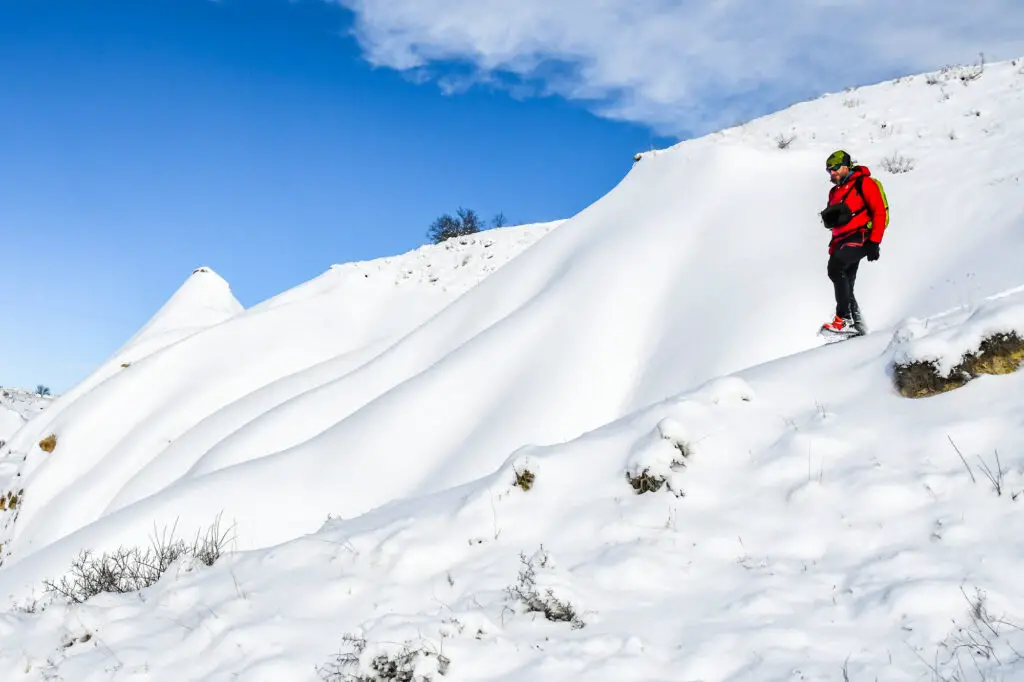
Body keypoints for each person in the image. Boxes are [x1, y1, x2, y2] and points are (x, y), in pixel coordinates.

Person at [818, 150, 888, 336]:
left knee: (835, 268)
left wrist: (874, 242)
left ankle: (844, 320)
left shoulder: (864, 183)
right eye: (828, 170)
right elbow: (836, 225)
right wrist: (833, 246)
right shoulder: (834, 192)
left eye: (834, 169)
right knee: (846, 282)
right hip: (841, 241)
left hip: (861, 237)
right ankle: (858, 328)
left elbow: (879, 212)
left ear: (845, 166)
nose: (831, 173)